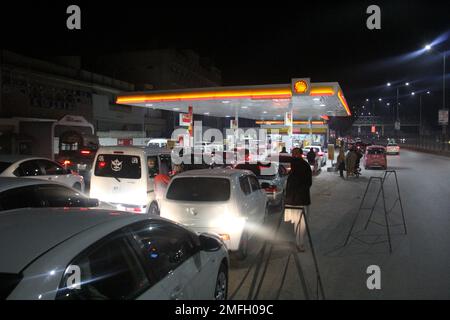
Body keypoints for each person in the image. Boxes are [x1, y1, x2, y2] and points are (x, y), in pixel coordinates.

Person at [284, 148, 313, 252]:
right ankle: (299, 243)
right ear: (301, 155)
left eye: (293, 153)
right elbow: (309, 183)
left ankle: (298, 242)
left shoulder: (292, 165)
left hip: (292, 201)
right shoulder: (304, 165)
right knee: (302, 223)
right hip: (301, 200)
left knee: (297, 222)